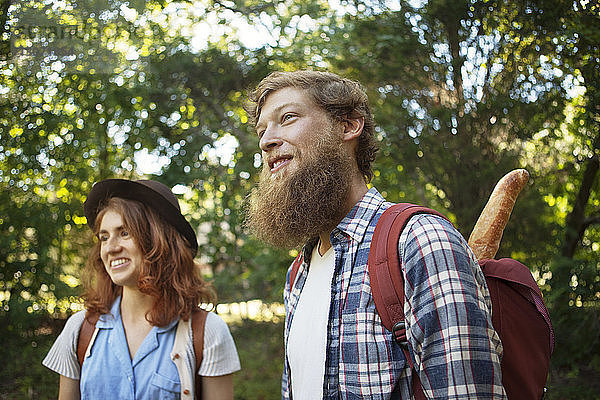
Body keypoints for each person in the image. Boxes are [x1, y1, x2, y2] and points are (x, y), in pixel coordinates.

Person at [245, 70, 506, 399]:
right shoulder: (299, 271)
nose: (266, 140)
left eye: (288, 117)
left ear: (348, 126)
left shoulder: (420, 240)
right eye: (262, 130)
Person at [43, 179, 240, 399]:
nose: (111, 248)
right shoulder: (79, 330)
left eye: (125, 233)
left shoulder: (207, 333)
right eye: (104, 237)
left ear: (160, 240)